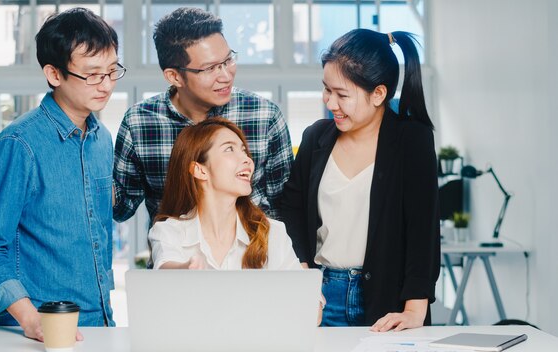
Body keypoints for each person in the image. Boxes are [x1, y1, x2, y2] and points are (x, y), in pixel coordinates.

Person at [0, 8, 124, 340]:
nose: (107, 85)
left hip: (99, 322)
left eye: (112, 71)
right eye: (94, 74)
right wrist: (30, 320)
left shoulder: (101, 140)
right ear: (54, 74)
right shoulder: (18, 144)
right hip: (39, 328)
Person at [280, 29, 440, 331]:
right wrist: (301, 270)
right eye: (327, 90)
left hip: (385, 302)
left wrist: (415, 309)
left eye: (342, 95)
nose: (331, 103)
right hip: (321, 297)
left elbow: (423, 229)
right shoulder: (316, 137)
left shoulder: (412, 141)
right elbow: (290, 209)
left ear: (378, 94)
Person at [113, 7, 293, 225]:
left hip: (254, 256)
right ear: (174, 76)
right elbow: (121, 208)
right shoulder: (139, 122)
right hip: (175, 256)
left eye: (228, 61)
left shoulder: (264, 115)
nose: (226, 76)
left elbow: (285, 208)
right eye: (210, 69)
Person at [149, 118, 301, 272]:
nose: (247, 159)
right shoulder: (168, 232)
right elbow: (165, 267)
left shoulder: (273, 233)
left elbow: (304, 291)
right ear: (200, 170)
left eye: (243, 150)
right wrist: (186, 269)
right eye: (229, 149)